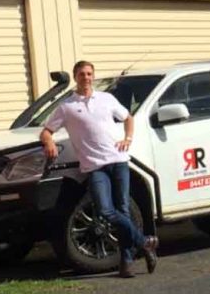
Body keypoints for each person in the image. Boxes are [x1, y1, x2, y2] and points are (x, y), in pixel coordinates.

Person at [41, 60, 159, 278]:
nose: (86, 78)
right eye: (81, 74)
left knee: (123, 210)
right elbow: (46, 131)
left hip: (119, 161)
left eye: (89, 74)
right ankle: (144, 242)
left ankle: (126, 263)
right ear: (75, 77)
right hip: (95, 167)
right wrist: (48, 142)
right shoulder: (67, 107)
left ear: (93, 76)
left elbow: (128, 117)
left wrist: (128, 138)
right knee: (105, 211)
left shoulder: (106, 99)